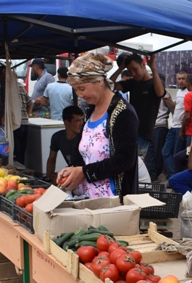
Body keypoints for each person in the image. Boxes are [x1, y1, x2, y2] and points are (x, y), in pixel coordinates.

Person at [56, 52, 139, 198]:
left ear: (99, 81)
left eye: (82, 88)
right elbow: (80, 149)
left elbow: (125, 160)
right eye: (75, 90)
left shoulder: (123, 113)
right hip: (89, 197)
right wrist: (74, 169)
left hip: (112, 203)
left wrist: (84, 172)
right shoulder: (90, 111)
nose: (79, 95)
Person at [111, 53, 165, 159]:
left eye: (135, 69)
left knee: (136, 164)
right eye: (130, 71)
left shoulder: (155, 83)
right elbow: (109, 86)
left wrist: (153, 67)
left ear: (143, 65)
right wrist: (120, 69)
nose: (133, 73)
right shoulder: (132, 83)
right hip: (129, 130)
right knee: (127, 163)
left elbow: (160, 93)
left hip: (143, 132)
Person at [46, 106, 85, 181]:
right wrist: (48, 178)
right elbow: (51, 159)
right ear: (67, 123)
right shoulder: (57, 137)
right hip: (71, 171)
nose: (81, 124)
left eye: (82, 120)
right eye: (77, 121)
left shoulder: (84, 138)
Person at [144, 74, 171, 181]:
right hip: (148, 127)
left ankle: (157, 173)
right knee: (149, 152)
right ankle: (152, 174)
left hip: (160, 126)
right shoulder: (148, 93)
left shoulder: (165, 95)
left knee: (157, 152)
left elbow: (171, 109)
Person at [162, 70, 187, 177]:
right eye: (179, 79)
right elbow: (177, 107)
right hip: (173, 126)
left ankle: (175, 177)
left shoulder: (189, 93)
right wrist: (170, 102)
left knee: (176, 154)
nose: (181, 81)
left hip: (181, 128)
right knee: (165, 152)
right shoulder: (179, 92)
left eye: (183, 79)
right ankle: (173, 175)